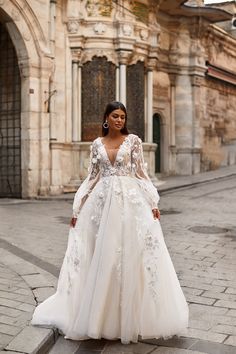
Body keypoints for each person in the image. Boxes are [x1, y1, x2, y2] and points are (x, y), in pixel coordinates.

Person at [31, 101, 189, 344]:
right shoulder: (97, 144)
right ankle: (100, 316)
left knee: (131, 255)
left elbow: (141, 174)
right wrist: (78, 206)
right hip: (101, 205)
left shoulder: (133, 141)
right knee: (102, 255)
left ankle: (131, 316)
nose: (119, 120)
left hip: (130, 203)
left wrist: (153, 202)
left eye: (123, 117)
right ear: (106, 118)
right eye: (115, 116)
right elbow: (92, 177)